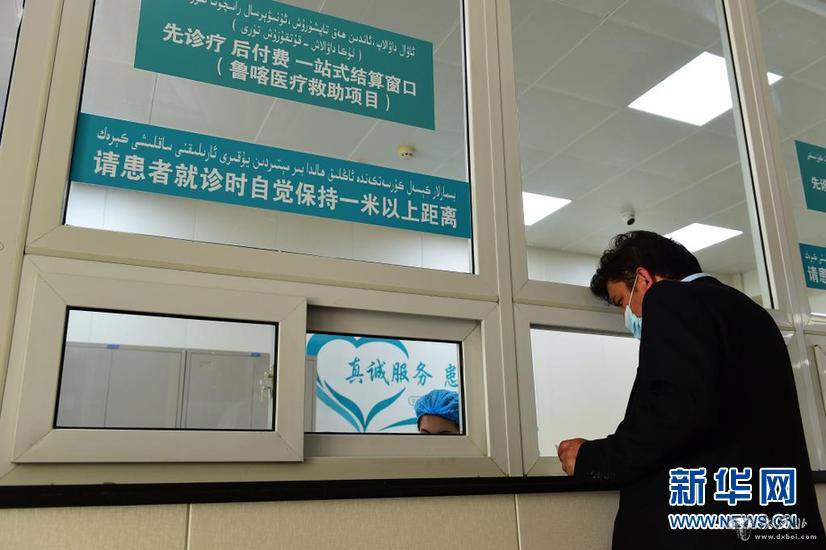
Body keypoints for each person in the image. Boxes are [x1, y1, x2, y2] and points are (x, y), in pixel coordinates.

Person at [557, 231, 824, 548]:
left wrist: (593, 459)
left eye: (621, 302)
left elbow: (673, 413)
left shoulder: (669, 297)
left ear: (643, 279)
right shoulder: (752, 313)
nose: (626, 316)